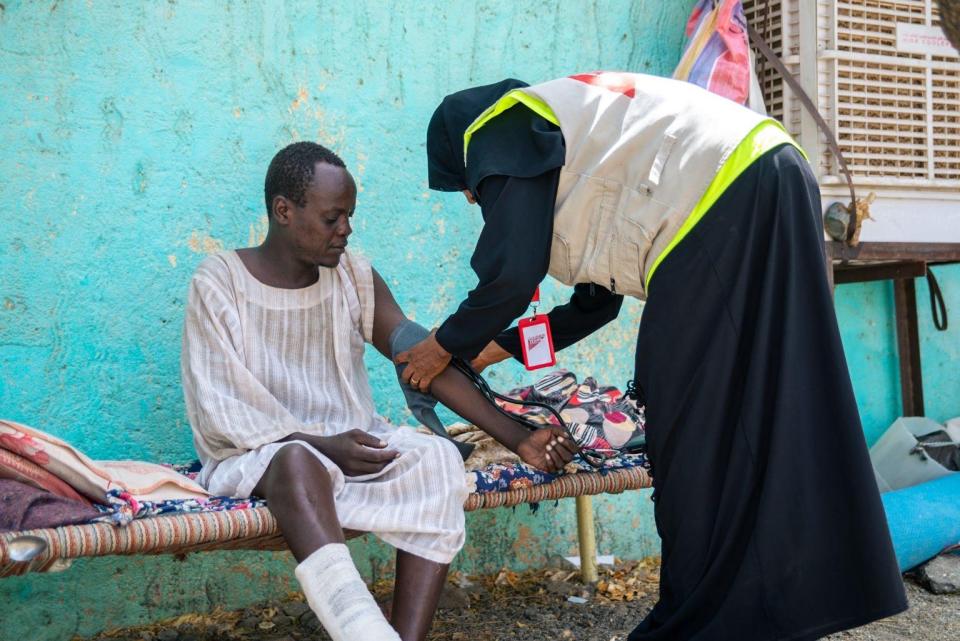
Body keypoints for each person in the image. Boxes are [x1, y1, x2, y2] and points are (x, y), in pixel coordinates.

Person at [395, 73, 909, 640]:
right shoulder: (583, 149)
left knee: (684, 416)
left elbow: (511, 274)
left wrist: (444, 345)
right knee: (772, 396)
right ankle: (785, 599)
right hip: (773, 170)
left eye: (468, 187)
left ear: (466, 155)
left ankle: (697, 615)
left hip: (722, 199)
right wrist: (498, 347)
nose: (475, 197)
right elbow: (595, 308)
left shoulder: (501, 125)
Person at [180, 142, 576, 641]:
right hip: (258, 457)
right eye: (332, 218)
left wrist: (518, 436)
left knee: (436, 458)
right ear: (284, 211)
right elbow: (223, 410)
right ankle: (362, 630)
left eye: (349, 216)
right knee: (299, 460)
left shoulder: (352, 274)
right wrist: (325, 446)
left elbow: (419, 357)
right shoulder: (220, 282)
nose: (345, 230)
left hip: (351, 447)